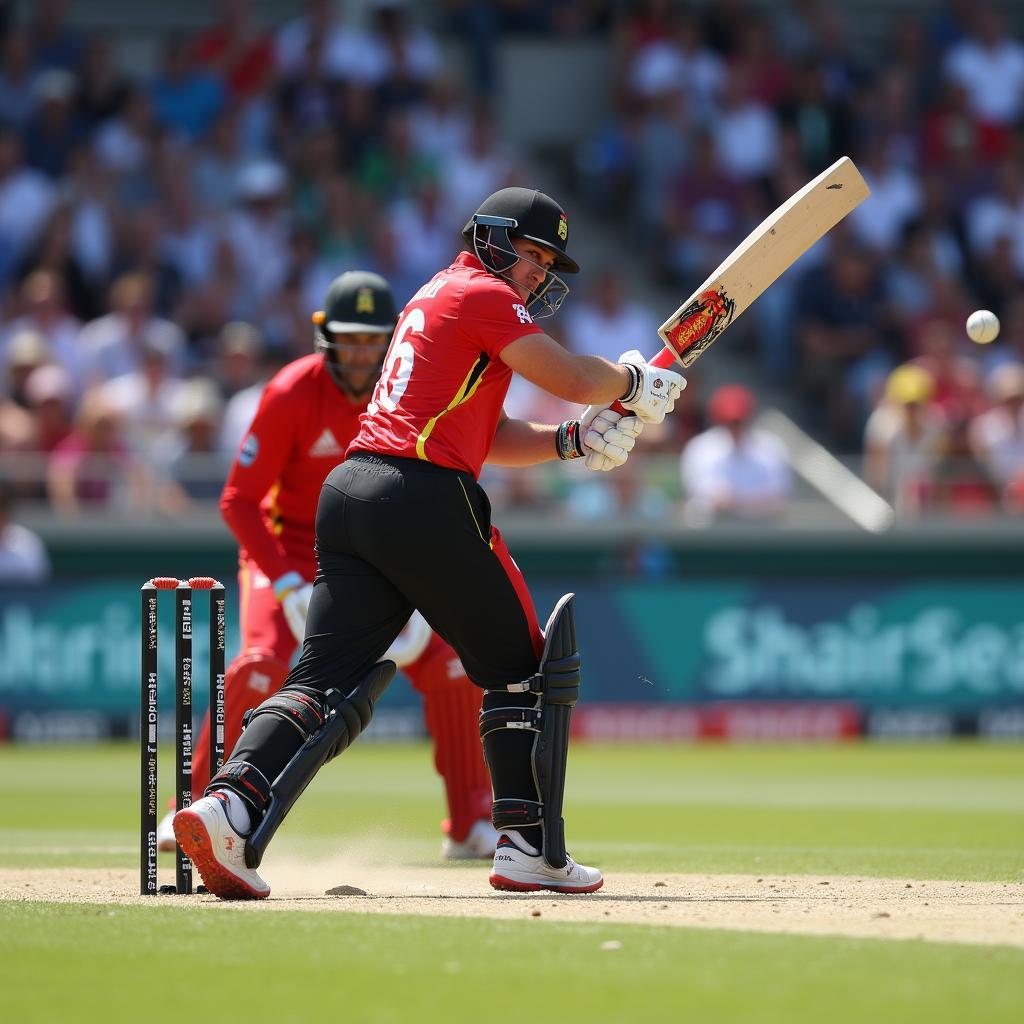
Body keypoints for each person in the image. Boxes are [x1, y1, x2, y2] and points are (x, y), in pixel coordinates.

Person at [174, 186, 684, 899]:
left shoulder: (434, 299)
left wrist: (570, 442)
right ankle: (527, 844)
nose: (538, 272)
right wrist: (632, 380)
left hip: (353, 493)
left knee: (320, 678)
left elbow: (487, 436)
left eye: (547, 262)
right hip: (421, 496)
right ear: (491, 238)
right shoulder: (483, 295)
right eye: (531, 254)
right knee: (522, 666)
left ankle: (227, 805)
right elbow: (571, 377)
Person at [159, 271, 499, 862]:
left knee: (451, 669)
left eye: (374, 339)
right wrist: (288, 581)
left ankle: (470, 822)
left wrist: (420, 591)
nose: (363, 352)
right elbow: (239, 501)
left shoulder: (412, 393)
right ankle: (196, 805)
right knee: (261, 664)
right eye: (351, 339)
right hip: (287, 553)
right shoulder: (292, 391)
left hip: (380, 559)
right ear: (326, 337)